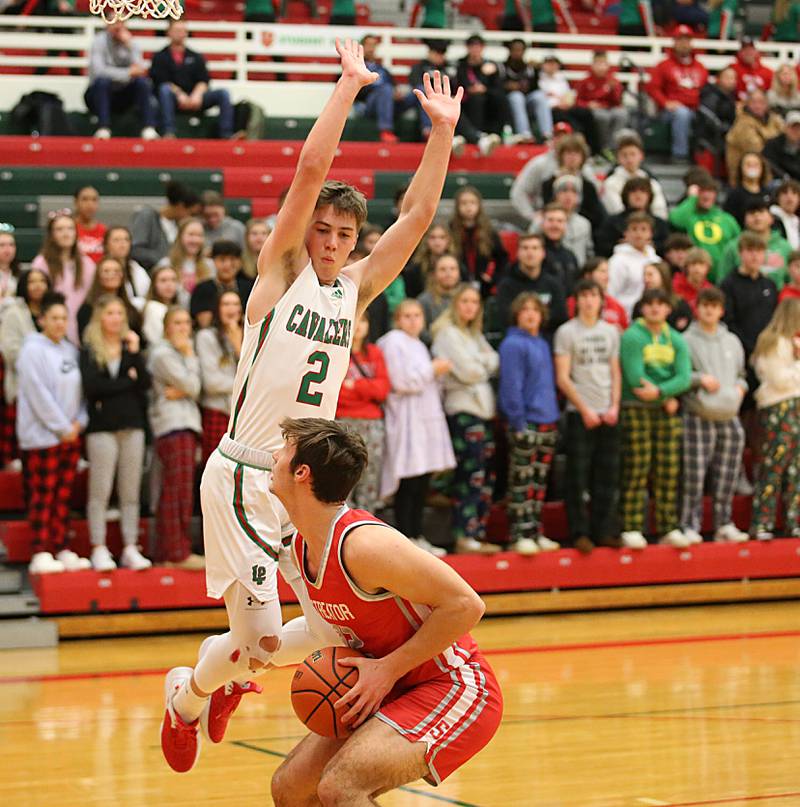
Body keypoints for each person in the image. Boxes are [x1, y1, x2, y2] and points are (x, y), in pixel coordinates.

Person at [159, 43, 464, 773]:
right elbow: (308, 173)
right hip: (243, 477)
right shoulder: (279, 275)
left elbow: (418, 215)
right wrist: (348, 85)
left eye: (344, 235)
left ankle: (226, 672)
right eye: (322, 231)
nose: (331, 243)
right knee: (262, 642)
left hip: (302, 485)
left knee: (333, 630)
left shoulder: (352, 291)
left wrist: (443, 131)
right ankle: (189, 693)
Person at [267, 417, 503, 803]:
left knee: (341, 787)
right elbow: (320, 630)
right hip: (384, 687)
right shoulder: (301, 547)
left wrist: (387, 668)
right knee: (290, 788)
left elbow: (466, 605)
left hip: (451, 685)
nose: (274, 457)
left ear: (302, 473)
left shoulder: (364, 546)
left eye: (283, 452)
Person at [16, 292, 90, 574]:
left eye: (64, 318)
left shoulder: (70, 350)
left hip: (70, 435)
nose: (60, 323)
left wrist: (78, 424)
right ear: (42, 319)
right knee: (42, 496)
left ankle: (60, 546)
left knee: (63, 496)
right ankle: (41, 549)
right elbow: (38, 395)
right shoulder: (31, 350)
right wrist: (61, 427)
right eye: (54, 318)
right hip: (42, 438)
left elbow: (82, 394)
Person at [80, 294, 152, 572]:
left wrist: (134, 355)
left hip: (132, 425)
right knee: (100, 491)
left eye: (120, 314)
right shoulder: (89, 349)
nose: (116, 318)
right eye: (111, 313)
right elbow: (93, 387)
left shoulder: (130, 347)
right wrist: (127, 382)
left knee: (130, 492)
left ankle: (130, 547)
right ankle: (98, 547)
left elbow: (144, 383)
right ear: (100, 317)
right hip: (101, 428)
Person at [377, 299, 454, 556]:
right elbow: (401, 381)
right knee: (407, 480)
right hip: (406, 419)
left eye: (417, 315)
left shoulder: (420, 344)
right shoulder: (392, 342)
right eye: (407, 316)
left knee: (422, 480)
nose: (413, 320)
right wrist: (432, 369)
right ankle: (406, 536)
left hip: (424, 418)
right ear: (398, 319)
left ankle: (418, 534)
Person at [618, 288, 692, 550]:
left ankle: (667, 526)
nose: (655, 309)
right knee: (637, 467)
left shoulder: (676, 339)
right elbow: (635, 377)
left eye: (661, 304)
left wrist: (660, 393)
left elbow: (685, 377)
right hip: (636, 408)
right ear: (642, 308)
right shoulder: (632, 336)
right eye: (650, 304)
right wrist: (667, 395)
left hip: (663, 408)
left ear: (668, 309)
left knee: (668, 469)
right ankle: (631, 526)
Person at [432, 285, 500, 554]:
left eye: (475, 302)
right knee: (469, 475)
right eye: (465, 301)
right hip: (463, 411)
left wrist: (480, 364)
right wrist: (481, 364)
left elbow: (495, 360)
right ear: (456, 304)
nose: (470, 306)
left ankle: (477, 532)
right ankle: (464, 534)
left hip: (483, 410)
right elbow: (470, 371)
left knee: (486, 476)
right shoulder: (447, 333)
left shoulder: (473, 334)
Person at [554, 279, 621, 553]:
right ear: (577, 300)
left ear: (600, 300)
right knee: (577, 477)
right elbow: (563, 377)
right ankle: (580, 533)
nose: (589, 300)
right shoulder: (567, 332)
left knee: (607, 476)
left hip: (609, 413)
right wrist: (585, 409)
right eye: (584, 295)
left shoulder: (611, 331)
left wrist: (614, 405)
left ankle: (604, 530)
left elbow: (615, 372)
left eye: (594, 295)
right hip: (580, 414)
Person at [679, 287, 749, 545]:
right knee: (695, 474)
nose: (709, 310)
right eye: (705, 305)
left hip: (729, 413)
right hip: (699, 414)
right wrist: (699, 379)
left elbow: (742, 374)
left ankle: (723, 523)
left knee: (728, 473)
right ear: (697, 308)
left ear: (722, 310)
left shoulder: (732, 341)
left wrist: (741, 389)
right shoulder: (686, 340)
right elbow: (680, 376)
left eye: (714, 305)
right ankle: (689, 523)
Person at [497, 292, 561, 555]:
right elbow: (511, 387)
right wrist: (518, 421)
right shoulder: (513, 344)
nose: (531, 314)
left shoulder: (543, 343)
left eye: (535, 309)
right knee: (521, 480)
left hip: (548, 420)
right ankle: (519, 533)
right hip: (526, 422)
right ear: (517, 314)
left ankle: (535, 530)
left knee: (539, 482)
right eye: (525, 309)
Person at [148, 305, 203, 569]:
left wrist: (185, 389)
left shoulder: (177, 354)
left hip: (185, 424)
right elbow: (194, 386)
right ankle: (175, 553)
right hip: (172, 425)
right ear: (167, 327)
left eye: (186, 323)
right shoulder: (163, 354)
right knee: (175, 491)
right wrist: (190, 357)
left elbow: (192, 389)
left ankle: (170, 551)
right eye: (177, 323)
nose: (183, 328)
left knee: (181, 491)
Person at [749, 299, 800, 539]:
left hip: (795, 406)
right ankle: (762, 523)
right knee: (773, 466)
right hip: (778, 408)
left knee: (795, 469)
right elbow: (779, 380)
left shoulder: (792, 343)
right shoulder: (773, 342)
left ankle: (793, 521)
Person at [335, 313, 390, 513]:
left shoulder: (374, 353)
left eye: (364, 321)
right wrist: (367, 388)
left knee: (370, 474)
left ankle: (368, 521)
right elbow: (336, 393)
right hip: (343, 421)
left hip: (372, 423)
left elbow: (383, 389)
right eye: (356, 319)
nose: (359, 326)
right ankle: (341, 522)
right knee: (343, 473)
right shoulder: (336, 351)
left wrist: (355, 386)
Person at [150, 20, 235, 140]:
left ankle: (226, 134)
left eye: (183, 30)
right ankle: (168, 132)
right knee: (165, 90)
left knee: (223, 93)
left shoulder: (196, 56)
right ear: (168, 32)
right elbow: (160, 81)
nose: (180, 34)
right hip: (173, 98)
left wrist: (197, 94)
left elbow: (204, 80)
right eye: (177, 30)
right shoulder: (160, 56)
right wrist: (180, 94)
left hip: (195, 98)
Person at [0, 269, 51, 470]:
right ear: (24, 285)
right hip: (22, 387)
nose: (37, 285)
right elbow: (10, 351)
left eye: (42, 281)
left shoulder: (55, 310)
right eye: (32, 282)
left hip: (52, 387)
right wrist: (42, 362)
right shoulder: (14, 313)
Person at [720, 231, 779, 385]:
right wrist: (749, 348)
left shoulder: (769, 285)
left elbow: (775, 320)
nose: (755, 256)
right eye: (750, 250)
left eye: (759, 251)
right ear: (740, 253)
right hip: (741, 353)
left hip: (768, 352)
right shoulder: (729, 285)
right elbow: (728, 322)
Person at [84, 21, 158, 141]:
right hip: (99, 94)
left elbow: (139, 69)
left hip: (123, 94)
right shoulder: (99, 42)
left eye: (120, 23)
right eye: (113, 23)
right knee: (103, 82)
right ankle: (103, 128)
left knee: (143, 83)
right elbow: (99, 72)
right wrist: (127, 73)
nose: (117, 26)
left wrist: (129, 46)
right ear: (107, 25)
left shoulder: (131, 43)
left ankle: (148, 128)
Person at [645, 26, 708, 163]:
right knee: (682, 113)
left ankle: (703, 156)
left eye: (687, 40)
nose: (684, 44)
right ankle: (680, 155)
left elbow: (706, 90)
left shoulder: (700, 67)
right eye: (680, 40)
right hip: (670, 112)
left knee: (709, 114)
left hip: (696, 108)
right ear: (674, 42)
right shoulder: (664, 65)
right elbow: (652, 88)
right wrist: (665, 102)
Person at [510, 122, 597, 218]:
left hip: (579, 219)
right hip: (549, 217)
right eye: (557, 136)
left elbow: (595, 199)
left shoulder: (585, 170)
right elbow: (518, 192)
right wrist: (531, 215)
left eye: (564, 136)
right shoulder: (539, 164)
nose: (560, 140)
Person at [196, 290, 242, 467]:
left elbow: (259, 377)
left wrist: (239, 348)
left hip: (241, 415)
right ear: (217, 309)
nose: (231, 309)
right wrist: (243, 384)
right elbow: (212, 383)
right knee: (214, 471)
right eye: (226, 304)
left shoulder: (250, 335)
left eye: (235, 304)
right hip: (216, 412)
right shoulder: (206, 336)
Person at [669, 174, 740, 277]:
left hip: (722, 275)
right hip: (693, 275)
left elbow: (737, 246)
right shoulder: (689, 217)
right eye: (702, 191)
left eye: (710, 191)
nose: (706, 195)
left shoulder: (727, 219)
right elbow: (675, 220)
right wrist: (692, 199)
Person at [495, 233, 566, 334]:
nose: (530, 252)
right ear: (518, 253)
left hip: (548, 339)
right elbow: (505, 318)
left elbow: (560, 316)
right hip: (518, 339)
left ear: (543, 253)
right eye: (525, 248)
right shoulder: (506, 286)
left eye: (535, 248)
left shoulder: (554, 284)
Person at [452, 34, 506, 157]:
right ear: (467, 48)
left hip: (487, 99)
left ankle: (499, 134)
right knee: (474, 100)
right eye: (472, 46)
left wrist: (484, 86)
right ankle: (479, 136)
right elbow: (459, 84)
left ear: (482, 48)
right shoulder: (461, 65)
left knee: (500, 99)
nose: (475, 49)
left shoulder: (492, 65)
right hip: (465, 100)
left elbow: (497, 88)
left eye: (478, 46)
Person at [449, 185, 507, 298]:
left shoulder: (489, 232)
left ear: (479, 206)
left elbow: (502, 260)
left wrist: (492, 278)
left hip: (484, 287)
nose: (468, 207)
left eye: (472, 203)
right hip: (456, 286)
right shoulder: (450, 231)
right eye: (464, 203)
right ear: (457, 206)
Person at [130, 180, 202, 272]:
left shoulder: (178, 225)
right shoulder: (147, 216)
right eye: (191, 213)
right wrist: (163, 260)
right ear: (181, 206)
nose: (190, 218)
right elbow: (135, 249)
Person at [716, 203, 791, 289]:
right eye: (752, 213)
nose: (757, 216)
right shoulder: (733, 247)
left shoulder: (785, 247)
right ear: (744, 219)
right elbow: (722, 281)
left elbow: (792, 280)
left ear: (771, 218)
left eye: (761, 212)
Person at [532, 56, 598, 154]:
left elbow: (568, 94)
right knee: (571, 121)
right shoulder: (538, 79)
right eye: (549, 64)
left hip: (565, 106)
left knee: (586, 113)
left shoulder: (561, 78)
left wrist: (567, 102)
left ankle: (595, 149)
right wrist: (556, 103)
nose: (552, 66)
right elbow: (539, 99)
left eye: (554, 64)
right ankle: (578, 140)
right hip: (551, 109)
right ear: (543, 65)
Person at [541, 134, 606, 232]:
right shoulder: (549, 184)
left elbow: (598, 217)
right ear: (561, 156)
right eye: (568, 153)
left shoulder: (588, 187)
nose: (572, 157)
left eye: (576, 153)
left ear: (583, 157)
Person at [597, 176, 670, 259]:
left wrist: (651, 245)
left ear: (649, 196)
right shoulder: (612, 223)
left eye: (643, 191)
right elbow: (602, 247)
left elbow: (667, 247)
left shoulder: (660, 224)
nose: (638, 195)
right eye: (633, 191)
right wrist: (622, 245)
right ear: (626, 195)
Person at [602, 134, 669, 220]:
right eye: (624, 155)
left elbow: (660, 211)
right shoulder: (610, 183)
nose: (629, 159)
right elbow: (616, 210)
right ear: (618, 158)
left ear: (641, 156)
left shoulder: (652, 182)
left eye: (633, 154)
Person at [76, 256, 143, 342]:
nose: (111, 275)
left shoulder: (131, 310)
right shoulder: (87, 309)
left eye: (116, 271)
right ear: (98, 276)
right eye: (106, 271)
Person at [189, 240, 253, 329]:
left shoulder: (249, 288)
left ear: (240, 262)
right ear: (213, 261)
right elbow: (205, 324)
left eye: (232, 259)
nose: (227, 265)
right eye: (222, 260)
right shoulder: (202, 289)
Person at [575, 51, 628, 155]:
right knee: (602, 117)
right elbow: (577, 101)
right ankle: (602, 147)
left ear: (607, 65)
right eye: (598, 63)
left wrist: (614, 90)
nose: (601, 67)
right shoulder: (585, 81)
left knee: (622, 114)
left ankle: (613, 147)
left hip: (610, 107)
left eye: (603, 63)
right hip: (596, 109)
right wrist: (588, 105)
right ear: (592, 65)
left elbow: (618, 102)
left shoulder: (613, 80)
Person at [534, 174, 594, 266]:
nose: (568, 195)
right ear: (555, 195)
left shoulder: (584, 224)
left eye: (574, 192)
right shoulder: (540, 220)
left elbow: (588, 253)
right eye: (564, 191)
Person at [607, 212, 659, 318]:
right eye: (634, 229)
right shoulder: (618, 261)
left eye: (643, 229)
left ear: (650, 234)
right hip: (627, 316)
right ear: (626, 233)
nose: (639, 234)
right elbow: (610, 294)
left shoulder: (656, 260)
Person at [724, 92, 783, 182]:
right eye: (753, 102)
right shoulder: (742, 124)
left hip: (772, 170)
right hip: (745, 177)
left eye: (761, 102)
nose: (757, 106)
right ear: (747, 104)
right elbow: (757, 150)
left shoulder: (774, 120)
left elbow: (786, 140)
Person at [353, 34, 401, 144]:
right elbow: (355, 91)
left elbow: (393, 85)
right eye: (368, 45)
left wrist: (396, 93)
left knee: (417, 93)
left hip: (388, 101)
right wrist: (379, 89)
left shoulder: (381, 68)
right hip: (367, 104)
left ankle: (427, 130)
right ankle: (385, 130)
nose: (371, 48)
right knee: (385, 89)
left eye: (374, 45)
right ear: (362, 47)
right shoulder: (356, 67)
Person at [567, 258, 629, 331]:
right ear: (588, 275)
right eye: (602, 271)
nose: (607, 276)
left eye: (607, 271)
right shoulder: (573, 302)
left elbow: (625, 331)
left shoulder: (616, 305)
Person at [155, 217, 212, 295]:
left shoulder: (209, 265)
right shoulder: (166, 264)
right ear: (180, 237)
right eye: (191, 234)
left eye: (199, 235)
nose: (195, 240)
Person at [631, 260, 693, 332]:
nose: (646, 279)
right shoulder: (640, 304)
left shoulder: (680, 304)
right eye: (644, 275)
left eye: (650, 275)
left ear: (663, 275)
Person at [696, 66, 738, 172]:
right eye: (728, 77)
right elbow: (709, 120)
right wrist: (728, 130)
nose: (731, 81)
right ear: (718, 79)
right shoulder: (710, 95)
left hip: (723, 136)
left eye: (734, 78)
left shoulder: (731, 98)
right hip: (710, 139)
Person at [403, 222, 454, 299]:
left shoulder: (458, 266)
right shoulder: (414, 269)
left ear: (448, 240)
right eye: (432, 237)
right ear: (426, 240)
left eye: (442, 237)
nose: (437, 242)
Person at [103, 226, 150, 308]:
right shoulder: (100, 268)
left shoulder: (135, 267)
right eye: (116, 240)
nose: (122, 244)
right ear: (106, 245)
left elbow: (148, 293)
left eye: (126, 240)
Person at [539, 203, 581, 295]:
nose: (555, 225)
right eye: (550, 220)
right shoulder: (534, 253)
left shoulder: (570, 256)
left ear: (566, 225)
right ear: (542, 224)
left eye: (560, 221)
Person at [723, 152, 773, 228]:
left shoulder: (768, 193)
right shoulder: (734, 195)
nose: (752, 167)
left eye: (756, 165)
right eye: (748, 164)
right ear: (741, 168)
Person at [501, 38, 537, 143]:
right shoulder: (503, 67)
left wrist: (538, 70)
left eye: (520, 50)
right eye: (515, 49)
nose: (517, 52)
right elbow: (498, 85)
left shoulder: (529, 68)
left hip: (527, 100)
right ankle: (524, 134)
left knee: (539, 96)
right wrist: (508, 86)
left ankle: (547, 134)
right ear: (510, 50)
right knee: (517, 96)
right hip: (509, 100)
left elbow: (534, 87)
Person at [142, 265, 184, 346]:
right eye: (163, 280)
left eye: (173, 280)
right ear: (154, 285)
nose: (169, 284)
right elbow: (158, 341)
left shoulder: (178, 307)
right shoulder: (153, 308)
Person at [673, 247, 713, 315]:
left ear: (708, 268)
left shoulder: (710, 289)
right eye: (693, 264)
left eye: (701, 264)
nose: (697, 269)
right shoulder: (675, 286)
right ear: (686, 266)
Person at [73, 186, 107, 266]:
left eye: (94, 200)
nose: (90, 204)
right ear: (76, 202)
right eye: (85, 199)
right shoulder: (68, 229)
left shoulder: (104, 231)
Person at [763, 111, 800, 182]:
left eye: (798, 128)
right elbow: (768, 163)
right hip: (779, 180)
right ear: (785, 128)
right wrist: (785, 177)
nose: (796, 131)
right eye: (792, 128)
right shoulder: (773, 143)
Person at [771, 179, 800, 250]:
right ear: (777, 198)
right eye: (785, 193)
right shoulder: (771, 217)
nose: (790, 197)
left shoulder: (796, 220)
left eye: (794, 193)